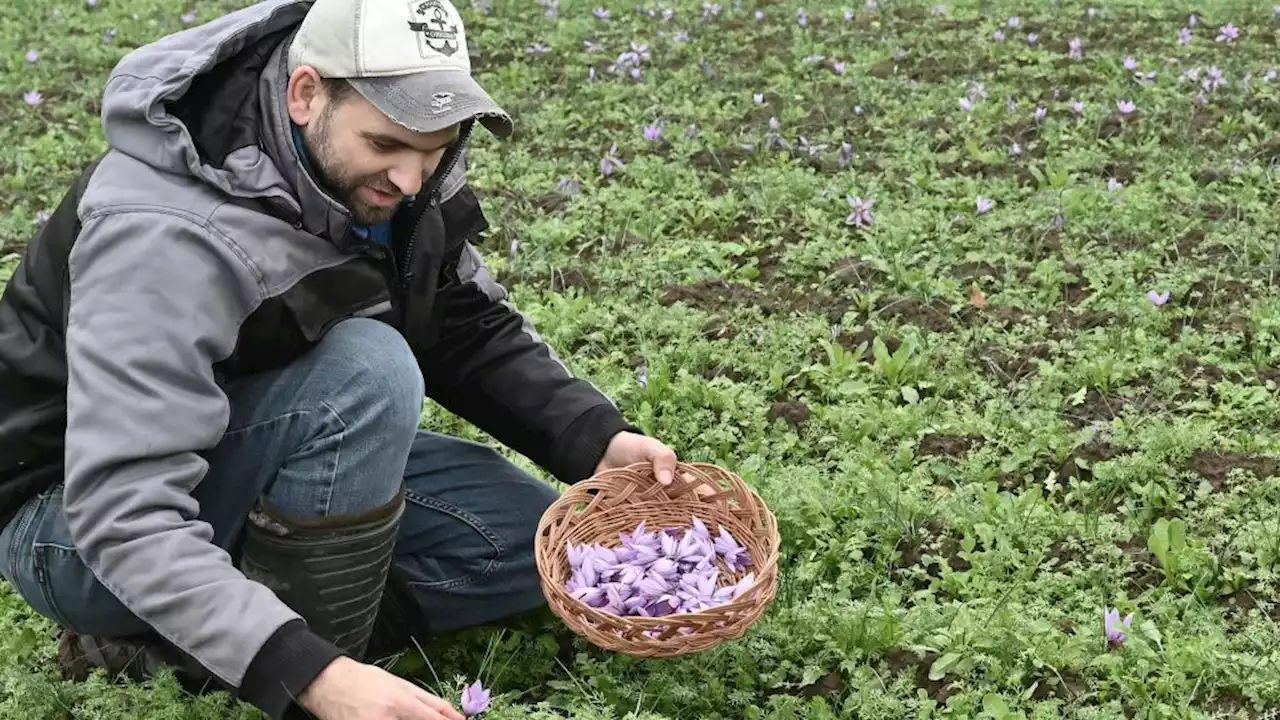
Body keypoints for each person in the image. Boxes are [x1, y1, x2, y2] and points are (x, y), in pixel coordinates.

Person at [0, 0, 686, 717]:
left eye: (436, 147)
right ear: (305, 94)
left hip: (249, 439)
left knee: (529, 545)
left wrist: (593, 439)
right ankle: (279, 662)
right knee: (365, 372)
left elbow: (459, 321)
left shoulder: (385, 174)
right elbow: (123, 512)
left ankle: (184, 638)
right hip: (70, 520)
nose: (412, 179)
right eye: (387, 143)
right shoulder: (163, 233)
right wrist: (312, 674)